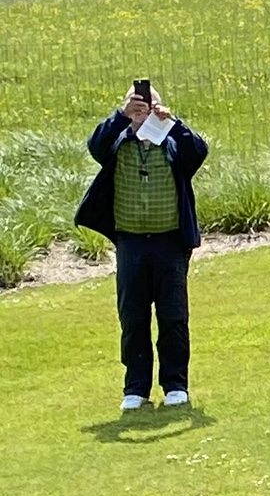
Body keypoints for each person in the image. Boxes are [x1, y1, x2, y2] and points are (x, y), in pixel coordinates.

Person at [78, 78, 209, 413]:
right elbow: (96, 145)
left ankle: (176, 386)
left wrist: (172, 122)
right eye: (136, 105)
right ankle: (135, 389)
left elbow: (198, 152)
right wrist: (122, 117)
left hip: (170, 243)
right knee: (133, 317)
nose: (142, 111)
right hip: (131, 242)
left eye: (147, 105)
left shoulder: (173, 141)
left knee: (173, 316)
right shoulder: (117, 140)